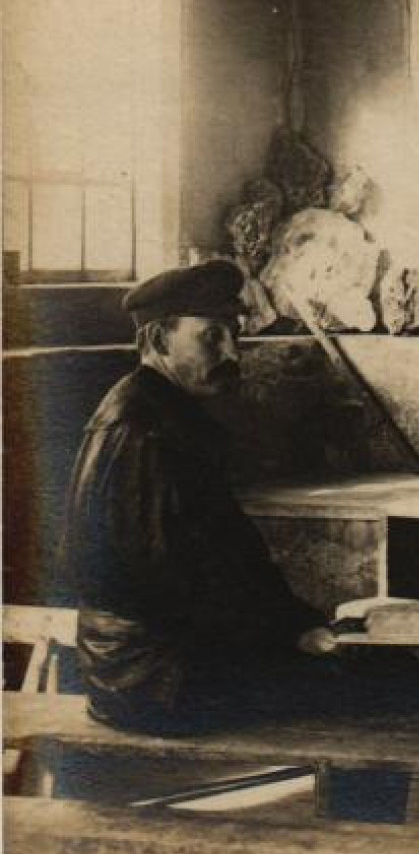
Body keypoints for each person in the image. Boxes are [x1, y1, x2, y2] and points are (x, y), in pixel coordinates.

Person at [64, 260, 338, 735]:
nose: (231, 352)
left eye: (233, 333)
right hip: (149, 674)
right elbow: (170, 581)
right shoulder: (142, 431)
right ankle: (353, 813)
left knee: (361, 671)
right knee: (380, 686)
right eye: (211, 337)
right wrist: (286, 635)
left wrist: (298, 624)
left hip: (159, 660)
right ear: (157, 342)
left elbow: (230, 553)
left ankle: (350, 810)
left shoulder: (166, 414)